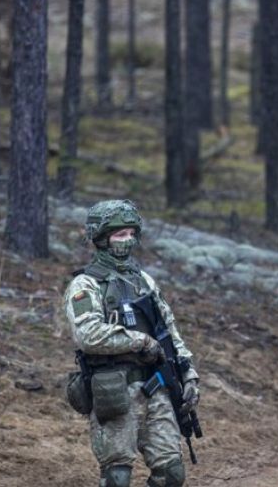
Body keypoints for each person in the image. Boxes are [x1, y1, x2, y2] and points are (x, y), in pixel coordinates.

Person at [64, 199, 200, 487]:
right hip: (114, 390)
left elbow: (169, 331)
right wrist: (139, 341)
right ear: (101, 238)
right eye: (119, 234)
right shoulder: (86, 284)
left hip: (156, 386)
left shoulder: (144, 281)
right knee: (117, 476)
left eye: (130, 234)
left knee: (171, 474)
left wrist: (188, 374)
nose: (127, 240)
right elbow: (87, 335)